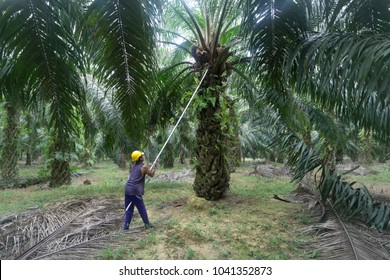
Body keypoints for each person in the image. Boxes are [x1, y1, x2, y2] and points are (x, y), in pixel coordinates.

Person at [123, 150, 157, 230]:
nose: (143, 156)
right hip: (135, 191)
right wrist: (154, 166)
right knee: (141, 208)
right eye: (142, 155)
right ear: (140, 158)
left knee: (129, 210)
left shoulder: (134, 166)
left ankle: (125, 228)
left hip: (127, 190)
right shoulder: (143, 167)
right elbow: (151, 174)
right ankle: (147, 225)